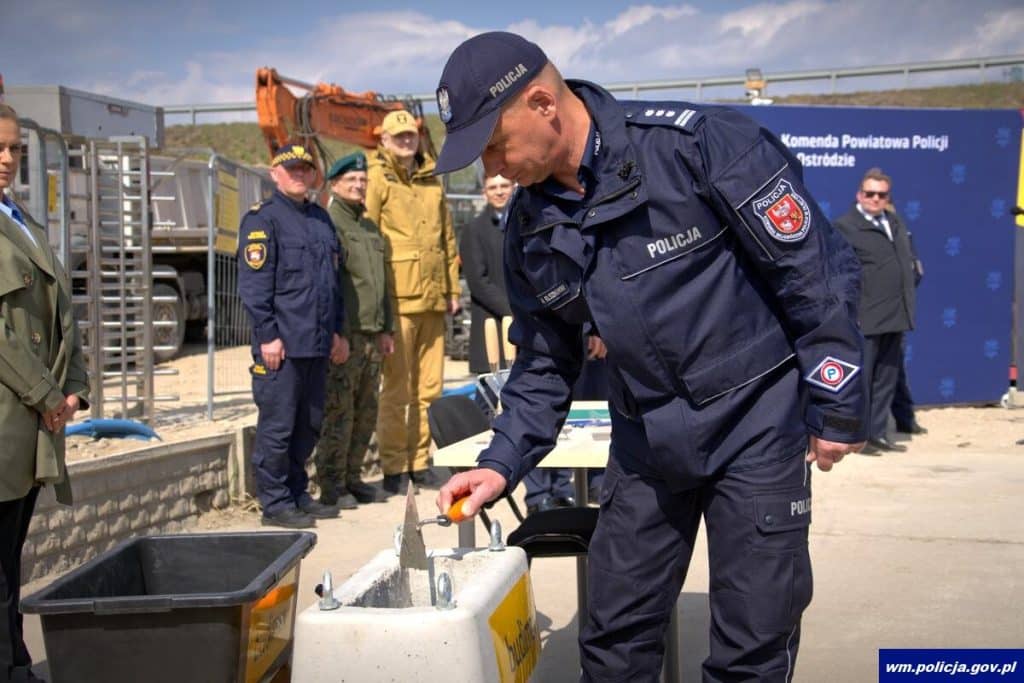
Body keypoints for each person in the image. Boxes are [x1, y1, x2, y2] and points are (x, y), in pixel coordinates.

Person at [433, 32, 866, 681]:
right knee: (613, 635)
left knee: (753, 640)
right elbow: (544, 361)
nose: (491, 167)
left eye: (494, 142)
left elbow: (815, 274)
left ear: (543, 102)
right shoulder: (531, 229)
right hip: (647, 435)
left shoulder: (696, 146)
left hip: (756, 422)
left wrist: (836, 403)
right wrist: (501, 462)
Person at [0, 103, 90, 682]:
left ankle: (15, 661)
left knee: (10, 559)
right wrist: (46, 394)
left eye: (13, 149)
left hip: (33, 420)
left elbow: (62, 314)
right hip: (13, 413)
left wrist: (75, 387)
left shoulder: (18, 217)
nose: (6, 159)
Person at [238, 143, 347, 528]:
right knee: (278, 426)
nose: (300, 174)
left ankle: (299, 493)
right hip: (281, 347)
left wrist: (337, 332)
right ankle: (276, 503)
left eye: (305, 169)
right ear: (275, 173)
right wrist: (267, 335)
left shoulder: (321, 219)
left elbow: (335, 284)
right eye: (292, 169)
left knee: (308, 425)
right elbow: (254, 287)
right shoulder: (262, 220)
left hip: (316, 342)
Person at [366, 110, 461, 494]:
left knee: (430, 390)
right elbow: (371, 241)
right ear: (384, 140)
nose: (407, 141)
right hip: (399, 300)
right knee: (396, 391)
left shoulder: (432, 180)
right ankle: (393, 467)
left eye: (412, 136)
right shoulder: (377, 179)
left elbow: (448, 240)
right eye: (399, 136)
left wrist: (453, 290)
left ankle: (420, 463)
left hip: (434, 299)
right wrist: (378, 305)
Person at [315, 152, 394, 509]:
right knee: (339, 411)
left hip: (373, 335)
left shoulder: (370, 227)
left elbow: (383, 283)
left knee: (366, 411)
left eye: (362, 181)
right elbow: (330, 285)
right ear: (334, 184)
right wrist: (338, 333)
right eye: (351, 180)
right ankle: (332, 484)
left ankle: (353, 476)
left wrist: (387, 328)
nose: (359, 185)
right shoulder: (329, 225)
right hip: (347, 335)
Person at [833, 168, 918, 455]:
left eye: (881, 195)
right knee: (864, 380)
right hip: (865, 317)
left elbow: (906, 263)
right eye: (870, 193)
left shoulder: (894, 223)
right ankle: (859, 435)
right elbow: (840, 274)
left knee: (886, 379)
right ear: (859, 195)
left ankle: (877, 432)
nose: (875, 199)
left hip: (896, 314)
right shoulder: (846, 226)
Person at [460, 173, 514, 375]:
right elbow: (478, 282)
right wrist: (513, 311)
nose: (499, 191)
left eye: (504, 185)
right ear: (485, 193)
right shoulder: (474, 230)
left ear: (513, 187)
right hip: (493, 325)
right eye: (493, 187)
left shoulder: (527, 224)